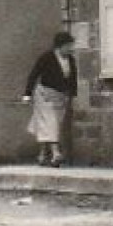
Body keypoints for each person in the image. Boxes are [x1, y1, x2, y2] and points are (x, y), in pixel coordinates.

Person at [22, 31, 78, 166]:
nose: (70, 48)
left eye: (71, 45)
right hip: (44, 94)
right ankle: (55, 153)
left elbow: (73, 78)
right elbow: (34, 74)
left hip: (60, 96)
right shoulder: (47, 57)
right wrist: (27, 94)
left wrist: (72, 95)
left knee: (48, 124)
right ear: (60, 46)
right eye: (68, 46)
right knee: (51, 122)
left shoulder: (71, 60)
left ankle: (42, 155)